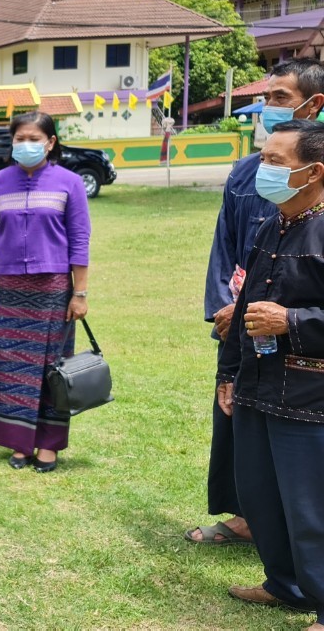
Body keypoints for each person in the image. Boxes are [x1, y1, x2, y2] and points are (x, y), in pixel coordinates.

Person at [188, 59, 324, 545]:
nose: (267, 108)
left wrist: (285, 316)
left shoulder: (312, 177)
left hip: (307, 348)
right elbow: (226, 243)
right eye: (266, 98)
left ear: (314, 104)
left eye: (280, 98)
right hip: (247, 327)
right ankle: (254, 524)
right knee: (244, 437)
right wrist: (228, 305)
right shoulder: (248, 175)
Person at [218, 119, 324, 631]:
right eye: (263, 158)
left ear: (314, 171)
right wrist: (228, 373)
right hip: (258, 386)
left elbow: (285, 315)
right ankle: (285, 584)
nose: (263, 170)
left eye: (276, 162)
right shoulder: (270, 226)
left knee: (311, 510)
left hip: (310, 396)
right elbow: (244, 311)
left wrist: (293, 322)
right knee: (261, 496)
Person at [0, 111, 90, 473]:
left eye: (34, 139)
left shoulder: (69, 183)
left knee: (50, 367)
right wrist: (13, 260)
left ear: (51, 142)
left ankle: (48, 446)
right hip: (7, 287)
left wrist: (79, 293)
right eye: (20, 138)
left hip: (54, 288)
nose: (26, 145)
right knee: (9, 365)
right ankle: (18, 443)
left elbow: (79, 240)